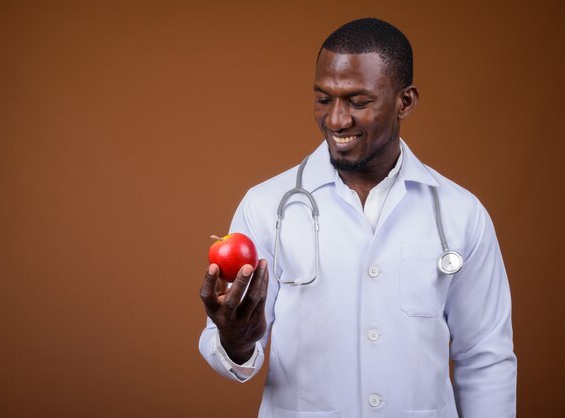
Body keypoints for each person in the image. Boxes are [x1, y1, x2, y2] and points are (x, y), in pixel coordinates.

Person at [199, 17, 516, 418]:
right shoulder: (267, 206)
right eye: (323, 98)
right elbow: (231, 352)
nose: (336, 120)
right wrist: (236, 340)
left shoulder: (461, 213)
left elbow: (485, 357)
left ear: (405, 101)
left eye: (358, 101)